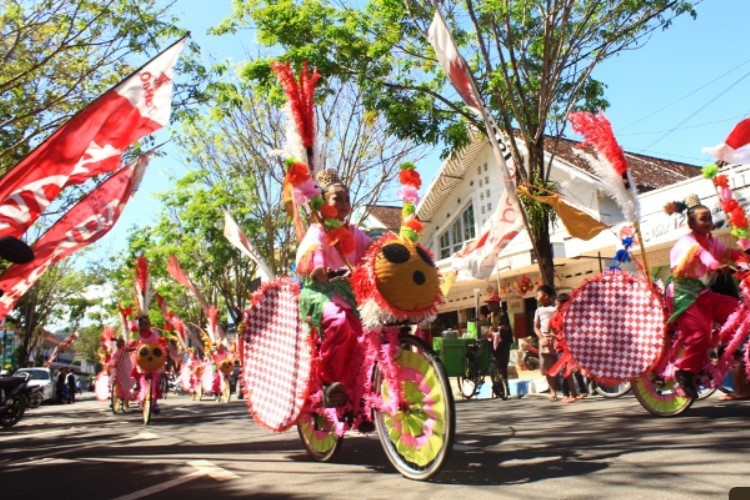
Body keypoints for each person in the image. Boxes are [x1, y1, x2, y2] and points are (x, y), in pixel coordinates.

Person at [296, 168, 372, 407]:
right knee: (339, 323)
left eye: (347, 199)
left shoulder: (356, 234)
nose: (344, 203)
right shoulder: (318, 229)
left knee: (375, 331)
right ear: (325, 203)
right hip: (319, 292)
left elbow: (373, 251)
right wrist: (319, 266)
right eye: (337, 198)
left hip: (351, 295)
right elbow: (313, 250)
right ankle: (330, 383)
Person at [666, 196, 745, 398]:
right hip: (681, 293)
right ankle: (684, 372)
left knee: (736, 310)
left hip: (699, 290)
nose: (708, 222)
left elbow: (729, 252)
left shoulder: (711, 240)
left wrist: (744, 255)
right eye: (703, 218)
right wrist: (717, 267)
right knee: (700, 332)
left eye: (709, 217)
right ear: (691, 223)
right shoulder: (688, 243)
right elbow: (704, 257)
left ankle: (732, 350)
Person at [130, 315, 164, 412]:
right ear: (140, 325)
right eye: (143, 324)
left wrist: (163, 344)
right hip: (142, 361)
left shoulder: (154, 335)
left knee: (156, 379)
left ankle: (154, 403)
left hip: (154, 360)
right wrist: (129, 346)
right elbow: (132, 343)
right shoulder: (137, 335)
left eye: (146, 323)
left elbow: (159, 342)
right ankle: (141, 398)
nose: (145, 325)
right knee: (141, 379)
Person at [534, 284, 559, 401]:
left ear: (545, 296)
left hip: (557, 340)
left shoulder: (556, 308)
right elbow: (535, 327)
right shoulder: (538, 311)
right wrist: (541, 338)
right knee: (548, 368)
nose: (536, 297)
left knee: (563, 365)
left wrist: (556, 335)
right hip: (544, 342)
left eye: (538, 295)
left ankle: (571, 391)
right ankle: (553, 391)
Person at [486, 292, 513, 381]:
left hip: (504, 342)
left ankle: (505, 386)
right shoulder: (490, 316)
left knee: (502, 364)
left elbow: (507, 327)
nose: (488, 306)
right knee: (495, 364)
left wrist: (497, 328)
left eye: (490, 304)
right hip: (493, 342)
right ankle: (497, 385)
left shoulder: (503, 314)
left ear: (495, 304)